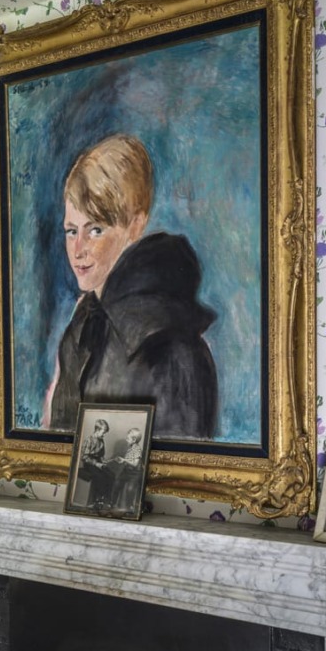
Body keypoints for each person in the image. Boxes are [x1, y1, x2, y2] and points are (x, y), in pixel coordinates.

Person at [46, 134, 218, 439]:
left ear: (135, 226)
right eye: (71, 231)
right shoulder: (82, 327)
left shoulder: (171, 346)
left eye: (96, 230)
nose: (78, 249)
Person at [76, 417, 113, 510]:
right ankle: (97, 499)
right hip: (89, 463)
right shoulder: (89, 440)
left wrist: (103, 460)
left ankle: (106, 498)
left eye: (105, 432)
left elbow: (100, 455)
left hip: (98, 462)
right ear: (97, 430)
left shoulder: (101, 440)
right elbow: (84, 457)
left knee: (111, 475)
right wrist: (96, 464)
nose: (104, 434)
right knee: (100, 477)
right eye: (103, 432)